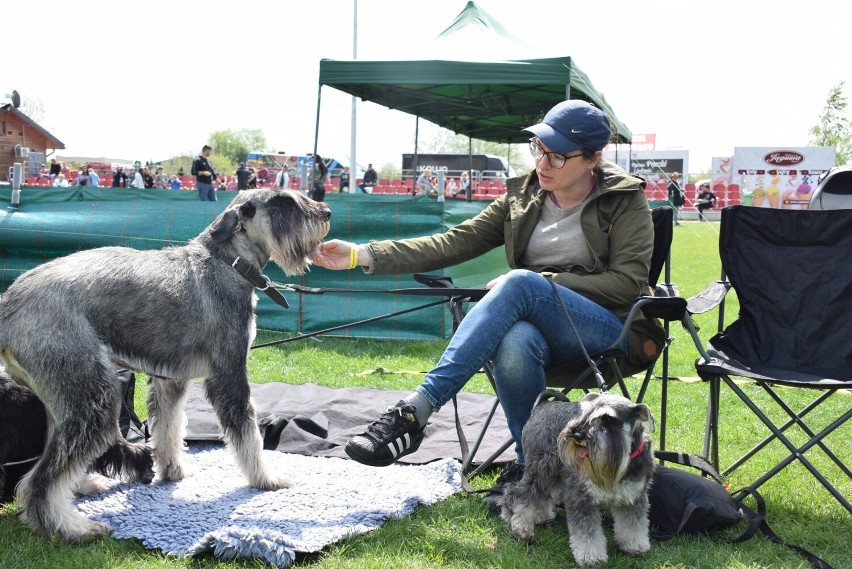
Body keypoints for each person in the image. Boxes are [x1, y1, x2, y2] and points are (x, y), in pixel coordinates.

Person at [311, 100, 666, 505]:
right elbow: (454, 241)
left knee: (519, 284)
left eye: (558, 155)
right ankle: (534, 469)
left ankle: (415, 412)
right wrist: (363, 254)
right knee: (514, 341)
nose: (543, 162)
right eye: (538, 148)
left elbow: (627, 283)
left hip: (607, 330)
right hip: (540, 331)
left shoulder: (626, 199)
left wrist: (541, 282)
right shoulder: (524, 194)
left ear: (593, 158)